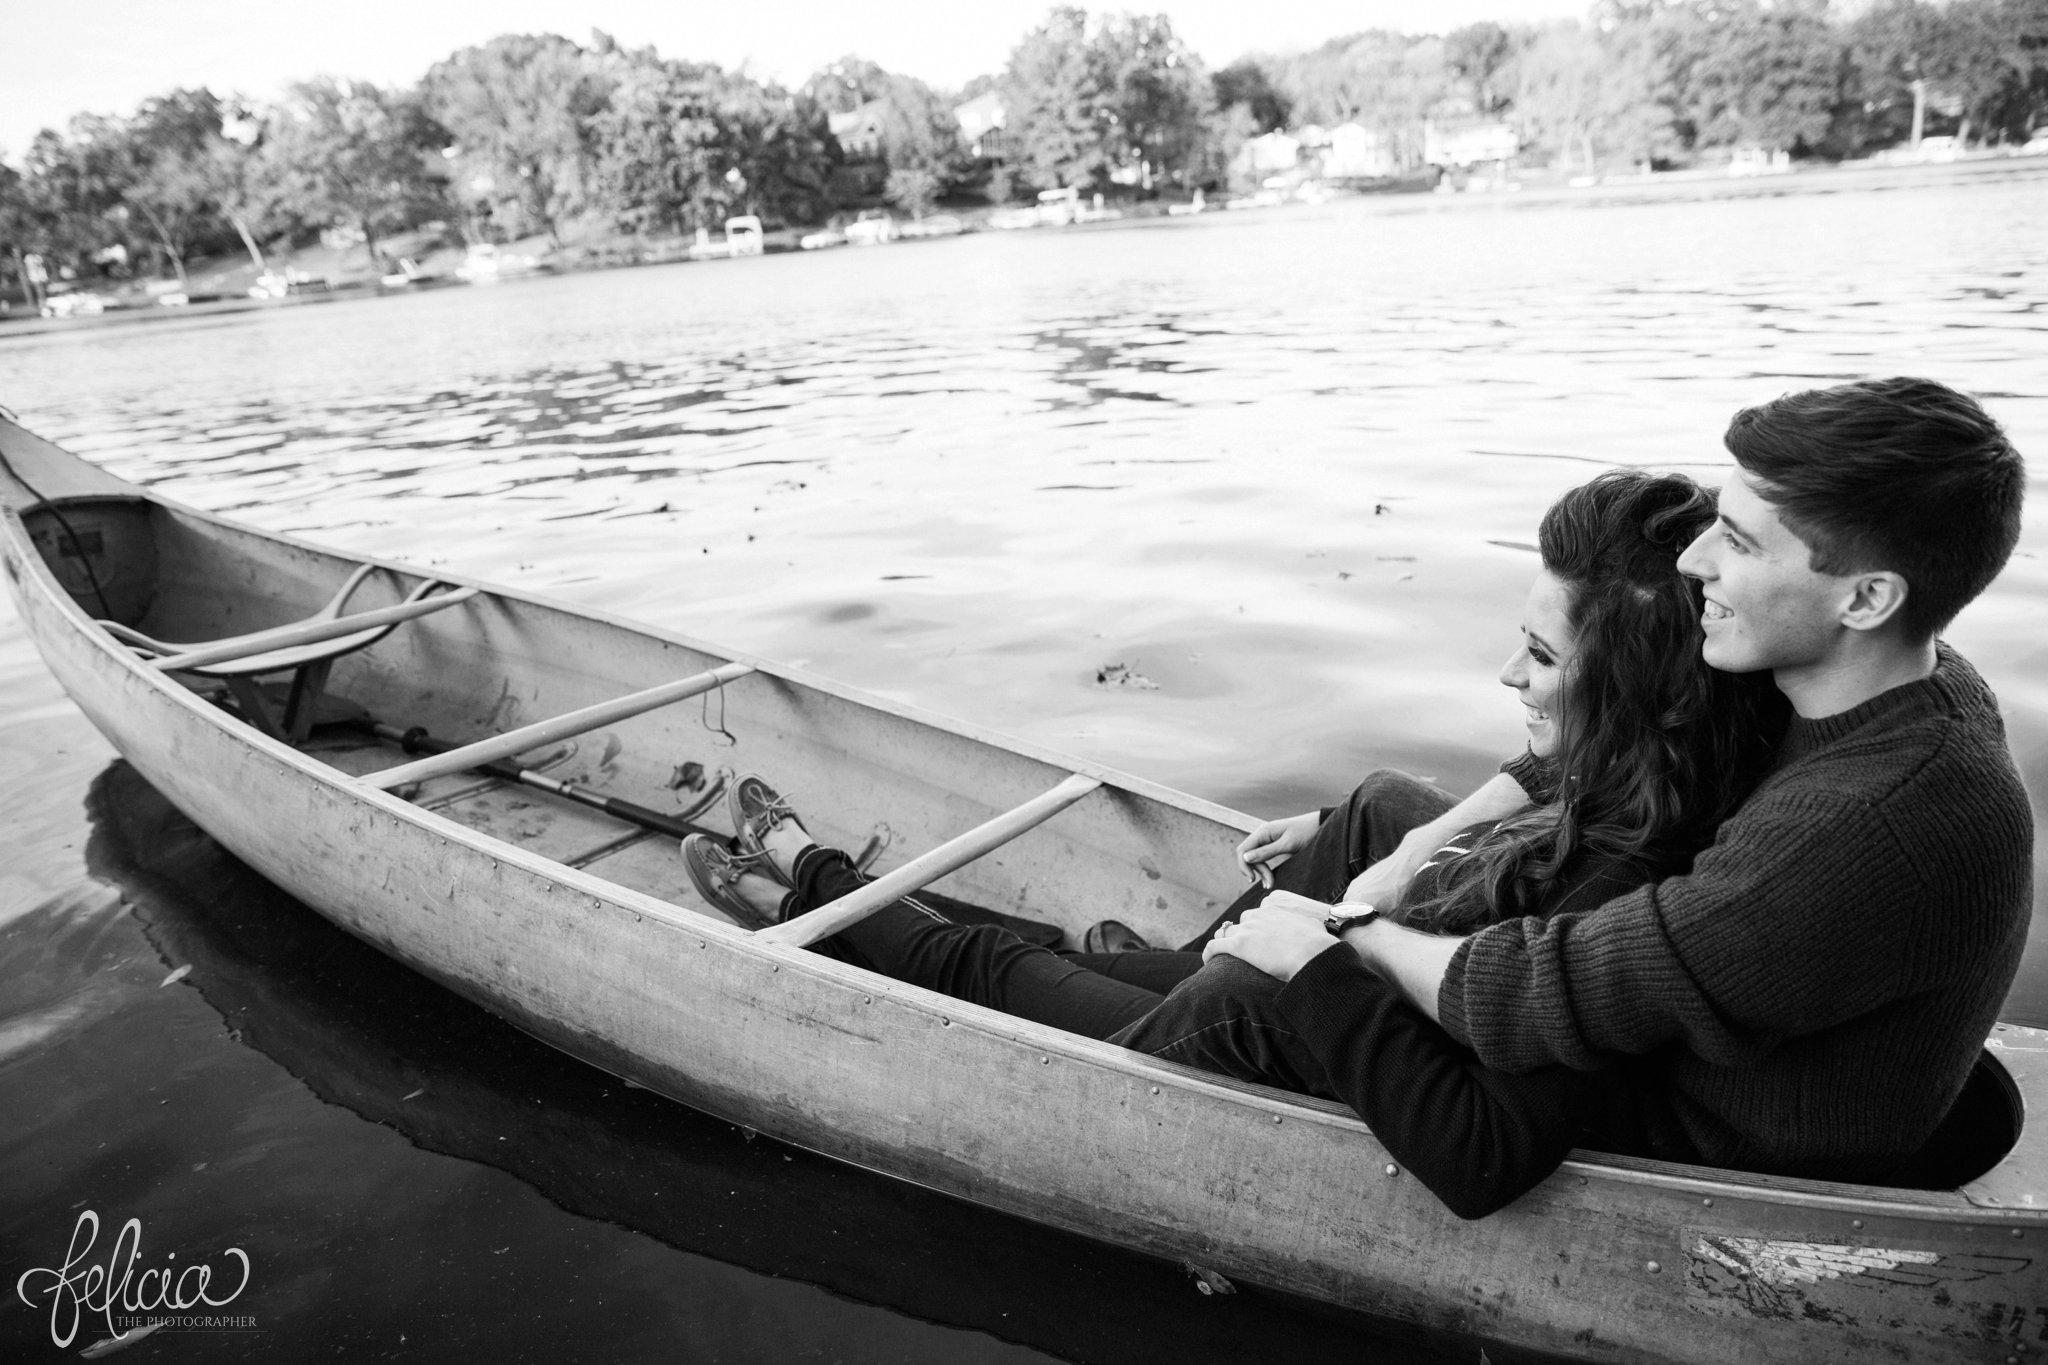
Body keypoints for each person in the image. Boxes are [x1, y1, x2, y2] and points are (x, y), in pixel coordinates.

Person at [684, 468, 1787, 1215]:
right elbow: (1555, 761)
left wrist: (1307, 963)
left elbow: (1482, 1154)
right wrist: (1398, 852)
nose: (1507, 677)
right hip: (1283, 1002)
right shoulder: (1683, 763)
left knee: (999, 968)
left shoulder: (1618, 905)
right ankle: (849, 901)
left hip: (1250, 1041)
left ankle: (801, 885)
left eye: (1538, 660)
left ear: (1638, 694)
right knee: (1085, 956)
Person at [1202, 376, 2032, 1188]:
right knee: (1383, 810)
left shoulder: (1859, 826)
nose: (1695, 559)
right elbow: (1642, 725)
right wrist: (1423, 838)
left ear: (1867, 598)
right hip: (1707, 1013)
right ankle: (1173, 975)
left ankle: (1140, 997)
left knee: (1252, 995)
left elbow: (1538, 997)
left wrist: (1339, 934)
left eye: (1738, 543)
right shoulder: (1891, 680)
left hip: (1706, 1127)